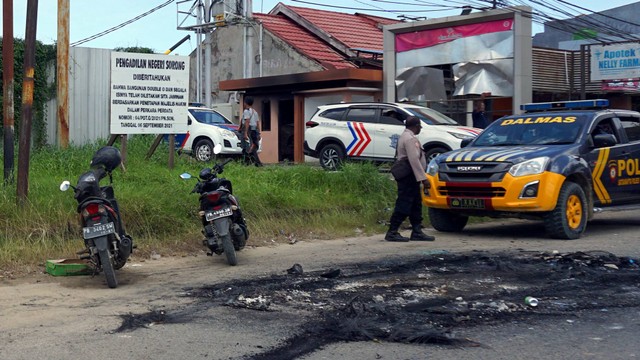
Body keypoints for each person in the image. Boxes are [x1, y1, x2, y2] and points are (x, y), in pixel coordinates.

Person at [385, 116, 436, 242]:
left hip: (410, 175)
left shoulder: (404, 136)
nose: (420, 129)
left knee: (415, 204)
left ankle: (417, 231)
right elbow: (414, 160)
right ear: (417, 126)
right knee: (405, 203)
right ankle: (392, 231)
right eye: (419, 126)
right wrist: (423, 179)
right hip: (409, 176)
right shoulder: (410, 139)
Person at [241, 97, 263, 167]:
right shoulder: (255, 112)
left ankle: (253, 163)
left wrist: (245, 133)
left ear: (246, 103)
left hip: (248, 130)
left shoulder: (246, 111)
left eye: (244, 102)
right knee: (253, 147)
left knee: (247, 147)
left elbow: (247, 121)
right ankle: (248, 163)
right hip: (254, 130)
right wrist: (259, 133)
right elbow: (257, 123)